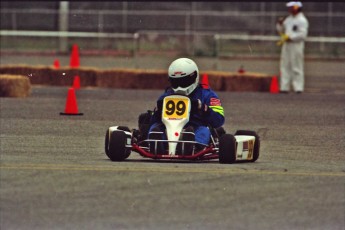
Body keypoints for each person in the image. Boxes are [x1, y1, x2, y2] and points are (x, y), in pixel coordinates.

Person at [148, 57, 225, 153]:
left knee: (203, 131)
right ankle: (157, 144)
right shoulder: (167, 96)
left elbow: (219, 120)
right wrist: (157, 112)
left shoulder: (207, 95)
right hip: (169, 128)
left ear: (194, 77)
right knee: (154, 128)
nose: (180, 86)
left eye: (184, 82)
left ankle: (192, 146)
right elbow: (152, 121)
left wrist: (203, 109)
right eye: (176, 82)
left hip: (196, 127)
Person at [276, 1, 309, 93]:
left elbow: (303, 34)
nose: (290, 9)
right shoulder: (288, 19)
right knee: (285, 65)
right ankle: (284, 87)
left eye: (291, 7)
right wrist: (280, 24)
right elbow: (281, 30)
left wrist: (291, 38)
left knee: (296, 66)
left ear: (296, 8)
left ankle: (298, 87)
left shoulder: (302, 20)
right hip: (287, 45)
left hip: (296, 45)